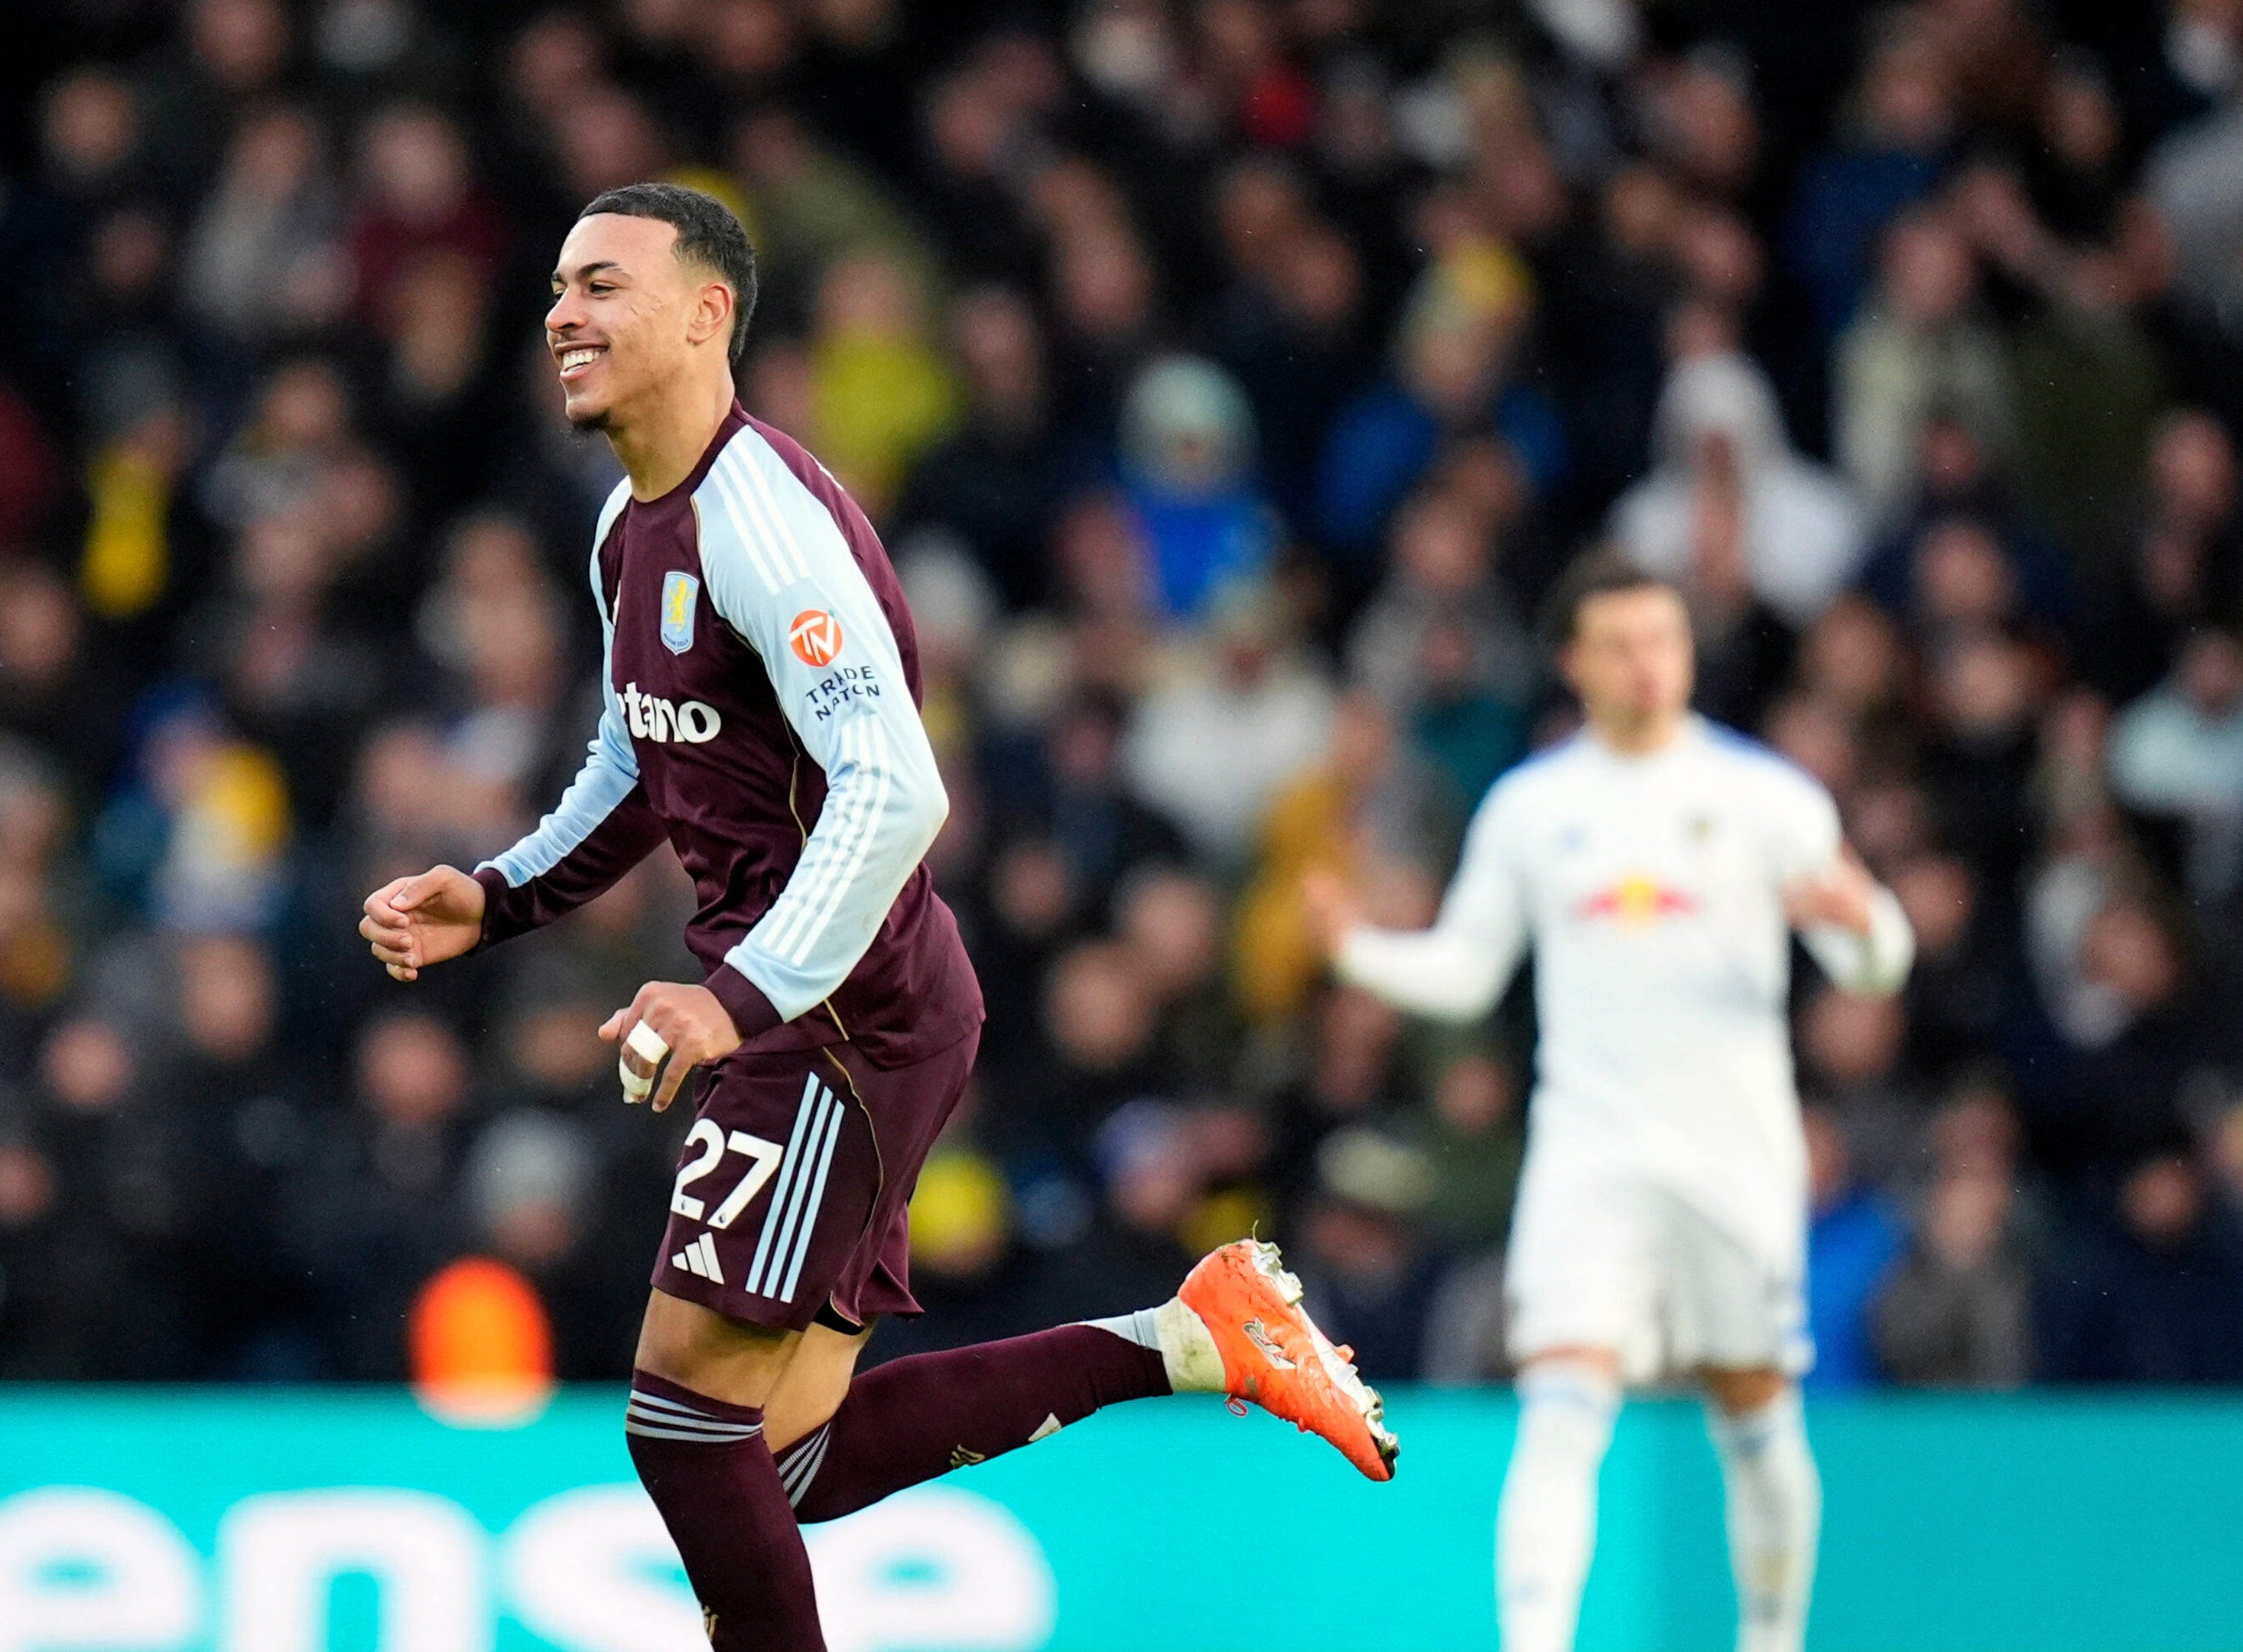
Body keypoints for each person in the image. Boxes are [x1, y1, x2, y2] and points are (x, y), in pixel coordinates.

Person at [360, 183, 1394, 1650]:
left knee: (681, 1426)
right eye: (557, 289)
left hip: (842, 1018)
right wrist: (501, 894)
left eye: (601, 286)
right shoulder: (626, 529)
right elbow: (638, 754)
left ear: (707, 313)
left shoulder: (761, 525)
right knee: (784, 1459)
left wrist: (737, 999)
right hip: (832, 1009)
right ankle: (1191, 1339)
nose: (561, 316)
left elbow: (900, 787)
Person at [1304, 557, 1915, 1652]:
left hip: (1734, 1153)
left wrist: (1868, 925)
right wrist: (1359, 951)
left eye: (1663, 642)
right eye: (1620, 645)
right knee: (1560, 1410)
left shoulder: (1766, 798)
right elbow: (1468, 970)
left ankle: (1772, 1638)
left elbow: (1875, 966)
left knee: (1757, 1415)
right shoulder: (1534, 808)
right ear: (1573, 662)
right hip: (1589, 1153)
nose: (1646, 665)